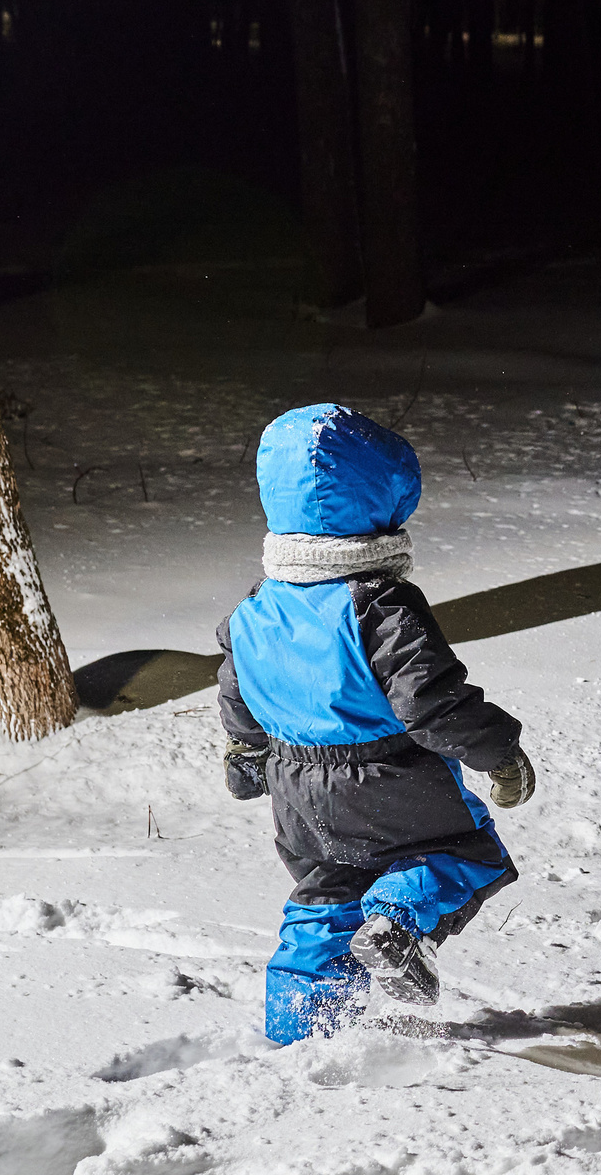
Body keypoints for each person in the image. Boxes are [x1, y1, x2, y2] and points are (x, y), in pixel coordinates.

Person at [217, 403, 537, 1043]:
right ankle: (396, 922)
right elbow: (429, 700)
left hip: (295, 788)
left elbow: (239, 690)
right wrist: (498, 752)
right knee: (463, 853)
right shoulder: (377, 604)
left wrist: (246, 754)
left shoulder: (254, 608)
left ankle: (297, 1028)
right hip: (390, 774)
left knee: (324, 893)